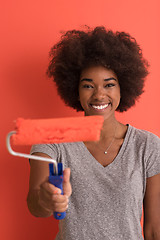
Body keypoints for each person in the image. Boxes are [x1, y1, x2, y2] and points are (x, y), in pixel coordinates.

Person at [27, 26, 160, 240]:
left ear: (123, 88)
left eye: (109, 85)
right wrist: (46, 198)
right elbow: (35, 204)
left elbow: (155, 229)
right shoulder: (53, 141)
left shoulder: (147, 146)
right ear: (74, 90)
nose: (99, 95)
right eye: (88, 86)